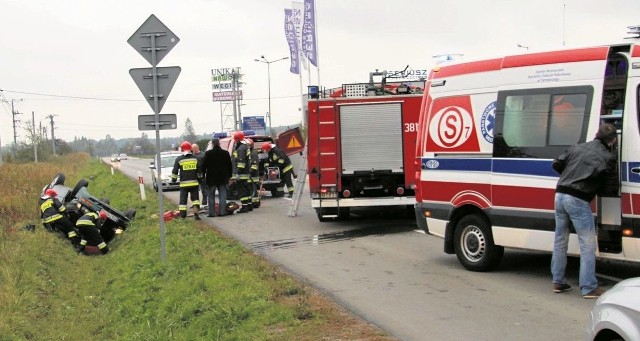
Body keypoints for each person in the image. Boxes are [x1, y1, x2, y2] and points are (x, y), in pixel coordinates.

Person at [551, 123, 618, 299]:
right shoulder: (608, 157)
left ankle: (558, 281)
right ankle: (588, 287)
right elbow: (610, 189)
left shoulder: (577, 147)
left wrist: (570, 176)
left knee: (560, 240)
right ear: (612, 141)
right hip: (578, 199)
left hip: (560, 195)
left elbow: (556, 164)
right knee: (587, 244)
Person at [200, 138, 233, 217]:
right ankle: (222, 212)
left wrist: (203, 175)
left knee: (211, 196)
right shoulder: (225, 153)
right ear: (219, 143)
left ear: (212, 144)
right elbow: (230, 166)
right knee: (222, 195)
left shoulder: (208, 153)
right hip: (223, 178)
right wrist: (229, 176)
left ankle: (212, 213)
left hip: (211, 178)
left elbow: (203, 166)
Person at [171, 141, 202, 220]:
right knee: (195, 200)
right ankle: (196, 215)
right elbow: (200, 171)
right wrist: (200, 180)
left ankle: (183, 216)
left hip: (183, 185)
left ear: (182, 149)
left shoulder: (179, 159)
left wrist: (173, 179)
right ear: (190, 149)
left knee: (183, 201)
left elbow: (175, 171)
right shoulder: (196, 158)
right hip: (194, 183)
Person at [231, 131, 253, 213]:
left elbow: (241, 162)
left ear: (237, 139)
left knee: (242, 191)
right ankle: (249, 205)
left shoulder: (240, 149)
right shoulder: (244, 147)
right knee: (246, 190)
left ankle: (245, 207)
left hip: (242, 174)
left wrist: (238, 173)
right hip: (245, 173)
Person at [246, 138, 261, 208]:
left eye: (248, 145)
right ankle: (255, 202)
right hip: (251, 175)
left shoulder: (253, 153)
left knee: (253, 190)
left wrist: (250, 173)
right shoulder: (249, 152)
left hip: (253, 175)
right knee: (251, 189)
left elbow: (254, 165)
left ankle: (255, 203)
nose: (247, 146)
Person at [191, 143, 207, 207]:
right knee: (194, 190)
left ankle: (204, 200)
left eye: (193, 149)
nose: (192, 150)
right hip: (194, 175)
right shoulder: (192, 156)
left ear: (197, 148)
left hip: (202, 174)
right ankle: (195, 203)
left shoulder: (203, 155)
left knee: (203, 188)